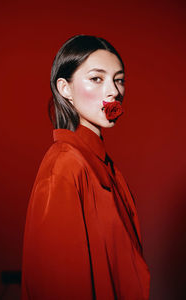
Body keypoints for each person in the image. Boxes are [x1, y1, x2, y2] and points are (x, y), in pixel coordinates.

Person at [21, 34, 150, 300]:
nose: (114, 91)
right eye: (96, 78)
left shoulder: (103, 166)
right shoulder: (65, 164)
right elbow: (58, 283)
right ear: (65, 88)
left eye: (119, 79)